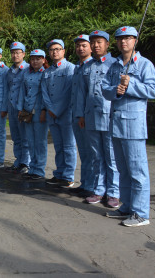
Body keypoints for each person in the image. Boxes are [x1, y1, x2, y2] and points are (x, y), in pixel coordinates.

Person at [102, 26, 155, 227]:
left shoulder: (144, 64)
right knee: (123, 170)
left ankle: (141, 213)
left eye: (128, 38)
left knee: (137, 171)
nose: (123, 42)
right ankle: (127, 206)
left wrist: (131, 84)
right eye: (120, 39)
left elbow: (153, 90)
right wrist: (116, 91)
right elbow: (105, 89)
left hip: (134, 126)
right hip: (116, 124)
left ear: (135, 41)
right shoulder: (115, 65)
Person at [78, 30, 120, 208]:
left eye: (99, 42)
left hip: (109, 116)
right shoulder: (87, 66)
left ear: (107, 44)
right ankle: (98, 189)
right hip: (91, 116)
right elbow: (82, 93)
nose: (96, 45)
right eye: (93, 42)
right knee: (96, 156)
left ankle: (114, 193)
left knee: (111, 156)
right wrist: (80, 114)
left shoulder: (115, 64)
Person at [42, 39, 77, 188]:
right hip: (52, 114)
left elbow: (68, 92)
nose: (54, 52)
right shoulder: (47, 71)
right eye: (51, 50)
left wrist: (56, 110)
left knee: (68, 146)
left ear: (64, 51)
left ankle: (68, 176)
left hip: (66, 113)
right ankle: (59, 173)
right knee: (58, 146)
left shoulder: (70, 68)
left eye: (57, 49)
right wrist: (50, 109)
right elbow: (44, 92)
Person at [68, 34, 94, 197]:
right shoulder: (78, 67)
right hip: (76, 115)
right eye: (78, 46)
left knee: (93, 154)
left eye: (84, 45)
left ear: (91, 47)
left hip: (88, 116)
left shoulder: (93, 66)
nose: (80, 48)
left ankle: (94, 187)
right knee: (84, 153)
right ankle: (85, 183)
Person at [17, 49, 48, 180]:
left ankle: (39, 170)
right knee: (30, 140)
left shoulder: (46, 73)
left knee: (40, 142)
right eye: (33, 59)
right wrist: (20, 108)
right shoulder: (26, 73)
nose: (35, 61)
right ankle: (32, 166)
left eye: (38, 59)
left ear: (44, 60)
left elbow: (47, 94)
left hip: (40, 111)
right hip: (27, 111)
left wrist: (44, 111)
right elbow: (22, 91)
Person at [1, 42, 30, 174]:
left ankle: (26, 163)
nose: (15, 55)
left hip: (22, 108)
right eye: (13, 52)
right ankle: (18, 161)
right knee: (15, 137)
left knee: (25, 137)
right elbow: (7, 89)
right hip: (11, 107)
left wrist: (26, 108)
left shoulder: (28, 69)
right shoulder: (10, 71)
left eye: (18, 52)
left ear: (23, 54)